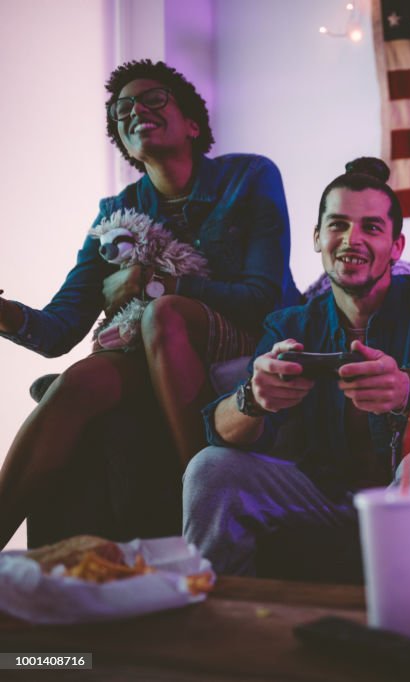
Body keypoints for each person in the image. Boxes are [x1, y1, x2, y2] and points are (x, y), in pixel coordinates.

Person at [0, 60, 299, 549]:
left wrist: (155, 282)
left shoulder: (250, 176)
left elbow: (260, 297)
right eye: (121, 109)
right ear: (124, 143)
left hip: (251, 332)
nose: (135, 109)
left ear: (193, 124)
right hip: (160, 345)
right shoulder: (115, 214)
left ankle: (199, 515)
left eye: (153, 98)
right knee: (80, 378)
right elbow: (59, 330)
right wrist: (4, 314)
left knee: (164, 314)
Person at [183, 157, 410, 583]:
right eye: (338, 225)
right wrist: (254, 397)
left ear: (396, 246)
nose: (351, 240)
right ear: (317, 237)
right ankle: (220, 628)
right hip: (318, 494)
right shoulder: (289, 325)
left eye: (371, 228)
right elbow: (218, 431)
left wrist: (406, 392)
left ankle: (407, 633)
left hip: (406, 490)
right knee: (211, 466)